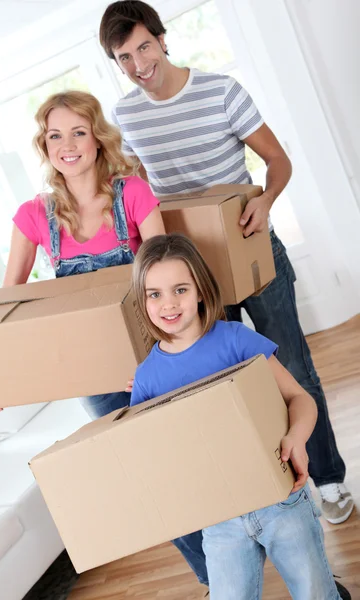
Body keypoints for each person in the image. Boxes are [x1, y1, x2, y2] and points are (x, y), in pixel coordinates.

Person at [99, 0, 353, 526]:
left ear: (163, 40)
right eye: (124, 57)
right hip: (191, 273)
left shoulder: (220, 91)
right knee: (225, 379)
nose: (139, 64)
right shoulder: (125, 116)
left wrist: (264, 200)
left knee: (292, 367)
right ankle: (261, 482)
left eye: (144, 47)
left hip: (250, 248)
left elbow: (278, 160)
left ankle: (328, 480)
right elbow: (140, 189)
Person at [130, 232, 342, 600]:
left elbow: (300, 399)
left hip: (281, 500)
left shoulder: (236, 340)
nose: (169, 304)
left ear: (200, 289)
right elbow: (152, 457)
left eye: (180, 289)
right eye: (155, 294)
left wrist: (296, 438)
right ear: (142, 300)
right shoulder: (147, 378)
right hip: (218, 520)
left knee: (316, 594)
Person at [0, 90, 165, 417]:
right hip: (91, 370)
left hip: (152, 352)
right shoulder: (34, 214)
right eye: (55, 136)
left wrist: (167, 354)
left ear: (98, 139)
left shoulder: (132, 193)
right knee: (125, 457)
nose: (68, 146)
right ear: (46, 147)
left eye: (78, 132)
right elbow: (7, 305)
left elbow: (167, 277)